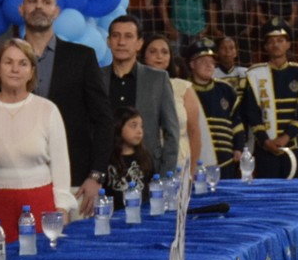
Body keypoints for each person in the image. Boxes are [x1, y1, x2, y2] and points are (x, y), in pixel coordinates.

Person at [21, 0, 111, 216]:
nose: (39, 6)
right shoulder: (3, 62)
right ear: (21, 10)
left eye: (46, 2)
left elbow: (103, 119)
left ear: (56, 12)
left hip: (75, 181)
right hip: (21, 183)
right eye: (32, 1)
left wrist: (96, 175)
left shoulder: (82, 57)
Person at [0, 39, 76, 240]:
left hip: (40, 204)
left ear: (31, 71)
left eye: (23, 63)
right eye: (8, 62)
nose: (15, 69)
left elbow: (61, 166)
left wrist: (62, 208)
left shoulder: (48, 110)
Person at [104, 15, 182, 175]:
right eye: (116, 36)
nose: (121, 42)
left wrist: (165, 175)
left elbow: (171, 132)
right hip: (105, 173)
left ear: (139, 43)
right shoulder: (96, 78)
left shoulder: (158, 79)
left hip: (149, 172)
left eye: (128, 36)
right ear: (108, 41)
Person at [244, 21, 298, 177]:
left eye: (280, 40)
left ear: (288, 44)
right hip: (264, 148)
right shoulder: (254, 74)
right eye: (271, 41)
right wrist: (265, 140)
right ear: (265, 47)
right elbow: (251, 111)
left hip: (293, 146)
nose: (275, 45)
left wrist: (286, 137)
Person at [142, 33, 207, 171]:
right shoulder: (136, 86)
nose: (159, 56)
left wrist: (193, 170)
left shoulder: (183, 87)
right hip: (144, 161)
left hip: (180, 162)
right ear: (143, 55)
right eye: (153, 51)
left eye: (164, 52)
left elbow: (194, 132)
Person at [186, 40, 246, 175]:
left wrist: (238, 148)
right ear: (192, 64)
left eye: (212, 62)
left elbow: (236, 122)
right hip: (196, 161)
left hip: (226, 161)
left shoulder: (226, 89)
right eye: (203, 61)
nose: (209, 65)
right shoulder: (184, 90)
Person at [104, 110, 151, 205]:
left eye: (141, 126)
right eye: (133, 126)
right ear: (119, 127)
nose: (139, 131)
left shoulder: (145, 157)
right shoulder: (107, 158)